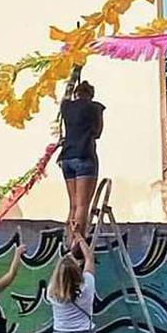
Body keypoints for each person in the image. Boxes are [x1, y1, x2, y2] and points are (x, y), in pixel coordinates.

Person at [56, 80, 105, 241]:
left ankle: (69, 239)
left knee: (73, 205)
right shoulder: (95, 108)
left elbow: (66, 95)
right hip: (84, 155)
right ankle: (77, 242)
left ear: (76, 93)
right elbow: (97, 133)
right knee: (82, 205)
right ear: (91, 95)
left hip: (66, 157)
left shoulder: (66, 107)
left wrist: (73, 77)